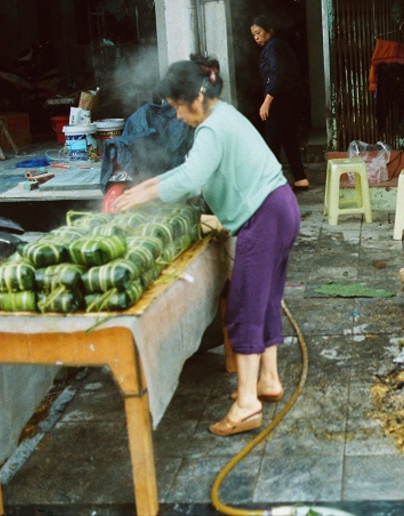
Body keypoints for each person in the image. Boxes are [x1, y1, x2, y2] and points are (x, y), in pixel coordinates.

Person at [113, 56, 300, 436]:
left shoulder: (212, 129)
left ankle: (247, 404)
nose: (178, 116)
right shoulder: (224, 115)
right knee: (264, 298)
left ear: (195, 98)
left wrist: (144, 196)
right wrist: (143, 189)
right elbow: (187, 174)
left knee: (246, 304)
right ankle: (268, 380)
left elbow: (190, 179)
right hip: (281, 208)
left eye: (178, 107)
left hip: (263, 217)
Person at [250, 14, 310, 192]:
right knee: (289, 139)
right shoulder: (278, 45)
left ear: (269, 31)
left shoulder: (273, 47)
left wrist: (267, 101)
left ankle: (273, 184)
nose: (256, 38)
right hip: (290, 99)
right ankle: (300, 179)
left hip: (280, 100)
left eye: (258, 33)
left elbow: (277, 73)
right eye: (253, 34)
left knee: (272, 141)